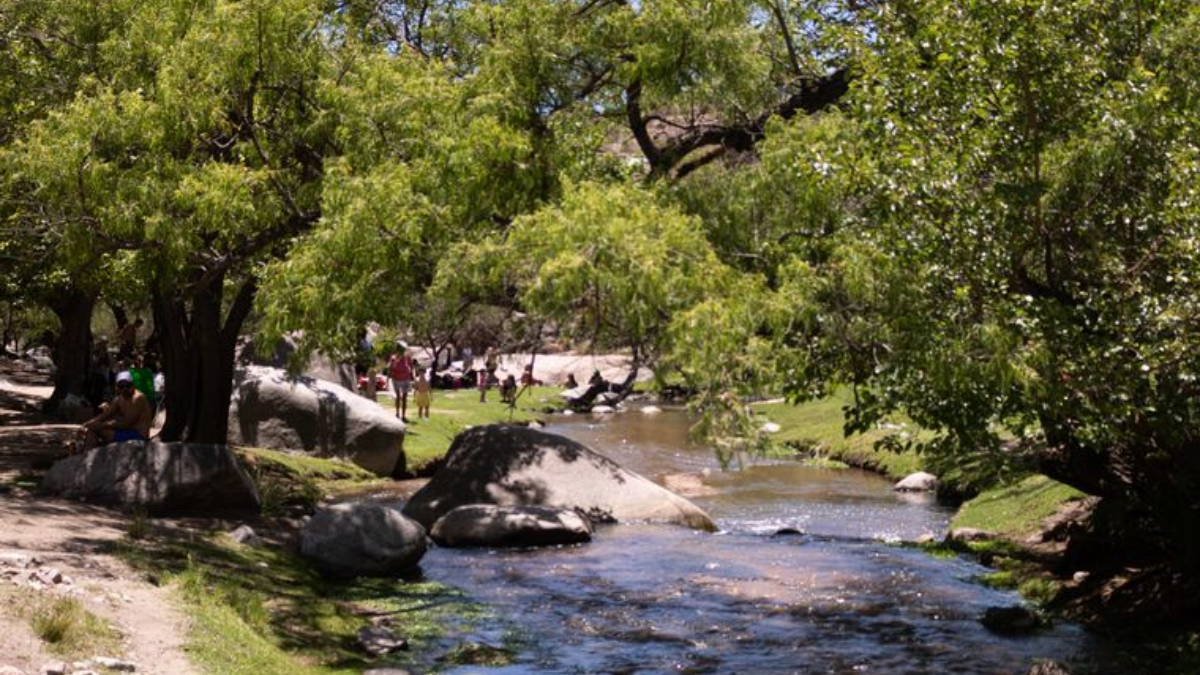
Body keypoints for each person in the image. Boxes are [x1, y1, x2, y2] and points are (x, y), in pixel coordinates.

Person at [77, 371, 153, 451]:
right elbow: (106, 415)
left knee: (96, 429)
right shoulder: (119, 399)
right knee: (91, 429)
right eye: (121, 386)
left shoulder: (138, 398)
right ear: (118, 388)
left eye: (127, 386)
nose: (125, 389)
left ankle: (88, 454)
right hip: (126, 432)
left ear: (132, 385)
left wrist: (101, 425)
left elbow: (126, 423)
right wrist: (88, 423)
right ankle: (88, 454)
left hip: (138, 435)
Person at [388, 344, 414, 421]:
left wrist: (413, 377)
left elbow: (411, 368)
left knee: (404, 398)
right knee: (398, 397)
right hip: (396, 379)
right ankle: (397, 413)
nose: (402, 351)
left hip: (405, 379)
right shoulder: (394, 358)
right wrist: (388, 379)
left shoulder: (407, 358)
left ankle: (403, 415)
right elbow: (390, 369)